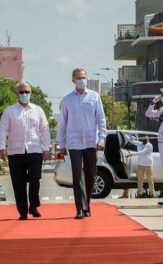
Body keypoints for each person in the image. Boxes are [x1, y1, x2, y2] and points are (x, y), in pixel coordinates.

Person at [56, 68, 107, 219]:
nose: (82, 80)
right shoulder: (67, 99)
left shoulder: (94, 96)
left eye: (84, 77)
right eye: (79, 78)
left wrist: (102, 138)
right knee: (77, 175)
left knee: (91, 175)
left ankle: (87, 204)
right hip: (74, 143)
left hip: (91, 141)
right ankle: (80, 208)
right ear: (73, 80)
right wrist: (62, 144)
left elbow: (101, 119)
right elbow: (62, 123)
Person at [0, 82, 50, 220]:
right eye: (21, 92)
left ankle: (33, 205)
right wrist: (2, 147)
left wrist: (46, 148)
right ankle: (22, 211)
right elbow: (2, 129)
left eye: (27, 92)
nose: (24, 94)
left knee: (35, 178)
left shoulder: (38, 110)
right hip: (15, 152)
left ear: (31, 93)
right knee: (18, 183)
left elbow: (44, 129)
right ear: (17, 94)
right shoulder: (9, 111)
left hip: (34, 150)